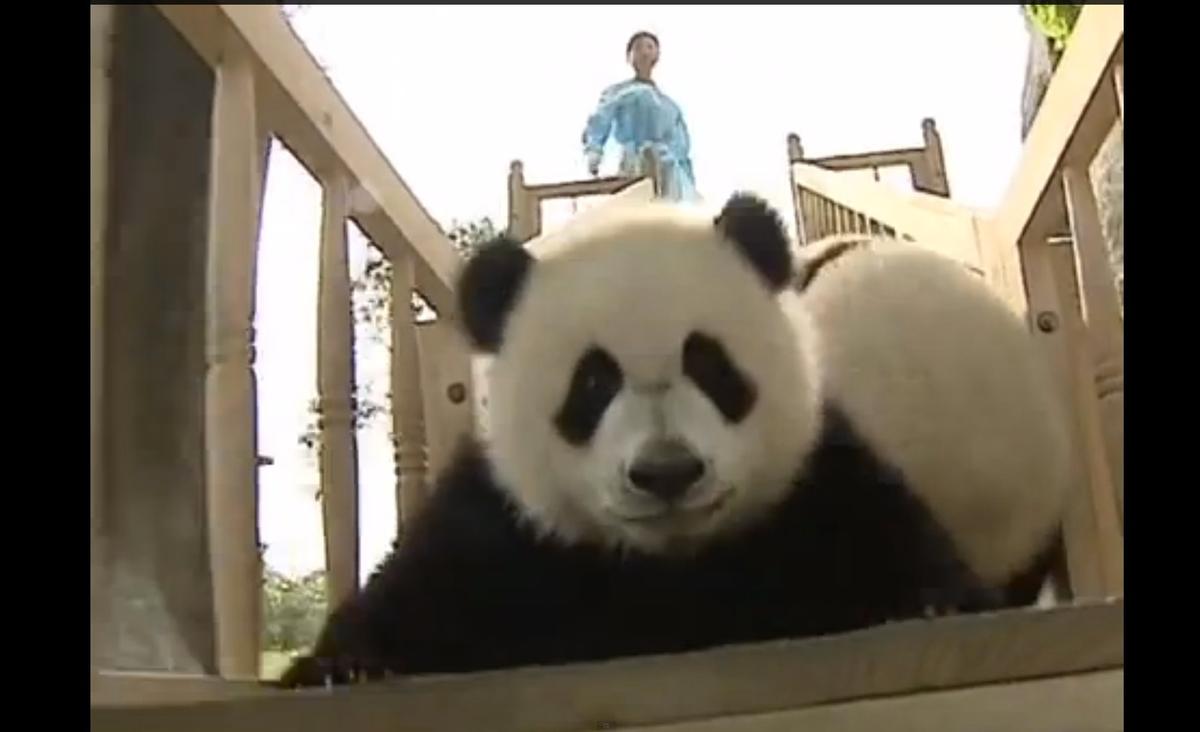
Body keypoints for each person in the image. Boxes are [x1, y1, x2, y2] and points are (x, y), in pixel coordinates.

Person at [581, 31, 699, 201]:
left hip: (667, 171)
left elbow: (681, 149)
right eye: (638, 48)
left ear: (657, 55)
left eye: (650, 47)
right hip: (633, 162)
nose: (644, 52)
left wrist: (687, 183)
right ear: (629, 57)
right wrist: (594, 151)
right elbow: (600, 120)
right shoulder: (618, 92)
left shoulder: (669, 106)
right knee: (634, 206)